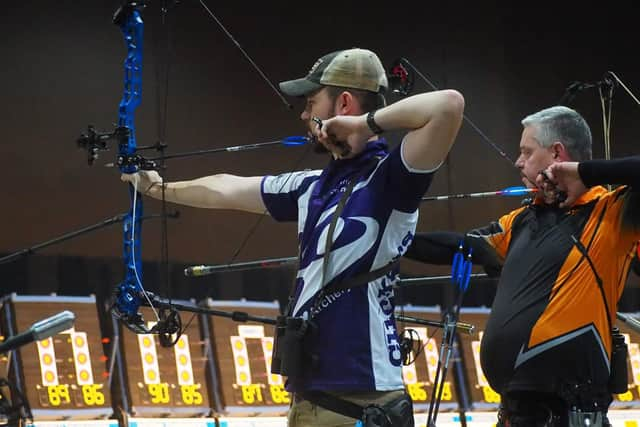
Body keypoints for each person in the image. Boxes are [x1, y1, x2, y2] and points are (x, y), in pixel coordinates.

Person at [121, 47, 465, 426]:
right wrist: (158, 188)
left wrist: (365, 125)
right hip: (308, 400)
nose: (304, 114)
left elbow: (448, 106)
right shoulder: (311, 187)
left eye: (311, 101)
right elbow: (226, 189)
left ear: (344, 102)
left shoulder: (390, 180)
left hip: (364, 401)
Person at [404, 106, 640, 426]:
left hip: (569, 411)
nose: (518, 162)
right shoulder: (520, 222)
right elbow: (459, 244)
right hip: (514, 413)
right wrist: (390, 240)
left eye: (526, 152)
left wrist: (583, 172)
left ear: (557, 153)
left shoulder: (612, 213)